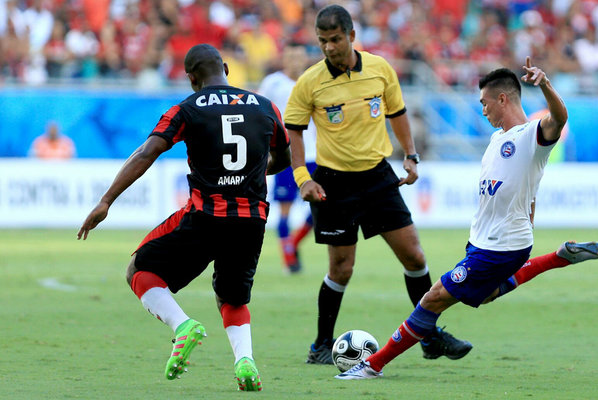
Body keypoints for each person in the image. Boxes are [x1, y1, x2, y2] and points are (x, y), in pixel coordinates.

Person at [336, 57, 598, 380]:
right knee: (486, 293)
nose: (483, 111)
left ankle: (372, 365)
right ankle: (558, 257)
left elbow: (559, 118)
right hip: (485, 242)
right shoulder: (497, 140)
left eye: (485, 103)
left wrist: (546, 85)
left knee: (433, 297)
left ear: (502, 99)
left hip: (501, 246)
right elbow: (527, 192)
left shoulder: (531, 136)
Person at [77, 44, 291, 391]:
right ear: (225, 67)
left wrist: (106, 201)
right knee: (233, 297)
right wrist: (254, 173)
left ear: (192, 79)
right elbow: (285, 155)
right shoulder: (266, 107)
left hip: (206, 215)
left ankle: (182, 326)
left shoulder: (187, 109)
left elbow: (149, 151)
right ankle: (245, 361)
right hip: (252, 219)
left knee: (139, 270)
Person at [283, 4, 472, 365]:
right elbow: (294, 130)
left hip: (377, 176)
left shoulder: (380, 69)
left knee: (415, 256)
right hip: (334, 182)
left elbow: (397, 112)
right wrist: (302, 178)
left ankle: (430, 337)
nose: (329, 48)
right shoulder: (310, 81)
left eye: (335, 39)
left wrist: (411, 155)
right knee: (341, 268)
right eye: (322, 41)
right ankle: (321, 344)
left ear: (352, 36)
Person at [258, 42, 317, 273]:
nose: (295, 61)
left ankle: (292, 244)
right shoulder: (273, 83)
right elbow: (260, 113)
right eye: (291, 56)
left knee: (319, 209)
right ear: (284, 58)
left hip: (312, 154)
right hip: (284, 156)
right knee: (284, 208)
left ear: (305, 59)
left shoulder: (313, 80)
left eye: (299, 57)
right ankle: (289, 259)